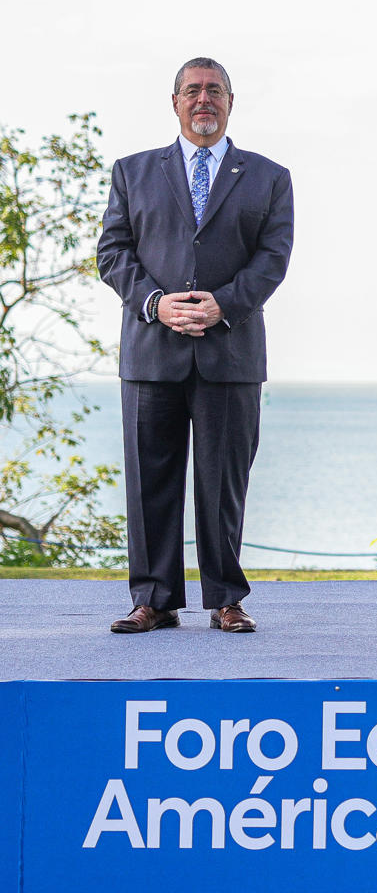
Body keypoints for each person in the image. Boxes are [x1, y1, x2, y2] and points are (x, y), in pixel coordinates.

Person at [97, 57, 294, 634]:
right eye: (192, 90)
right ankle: (154, 600)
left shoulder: (269, 176)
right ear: (175, 102)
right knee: (150, 483)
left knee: (223, 485)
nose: (203, 99)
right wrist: (156, 303)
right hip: (150, 352)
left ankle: (226, 599)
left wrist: (223, 304)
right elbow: (112, 253)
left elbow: (274, 257)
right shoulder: (132, 171)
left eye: (214, 90)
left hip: (230, 354)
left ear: (231, 101)